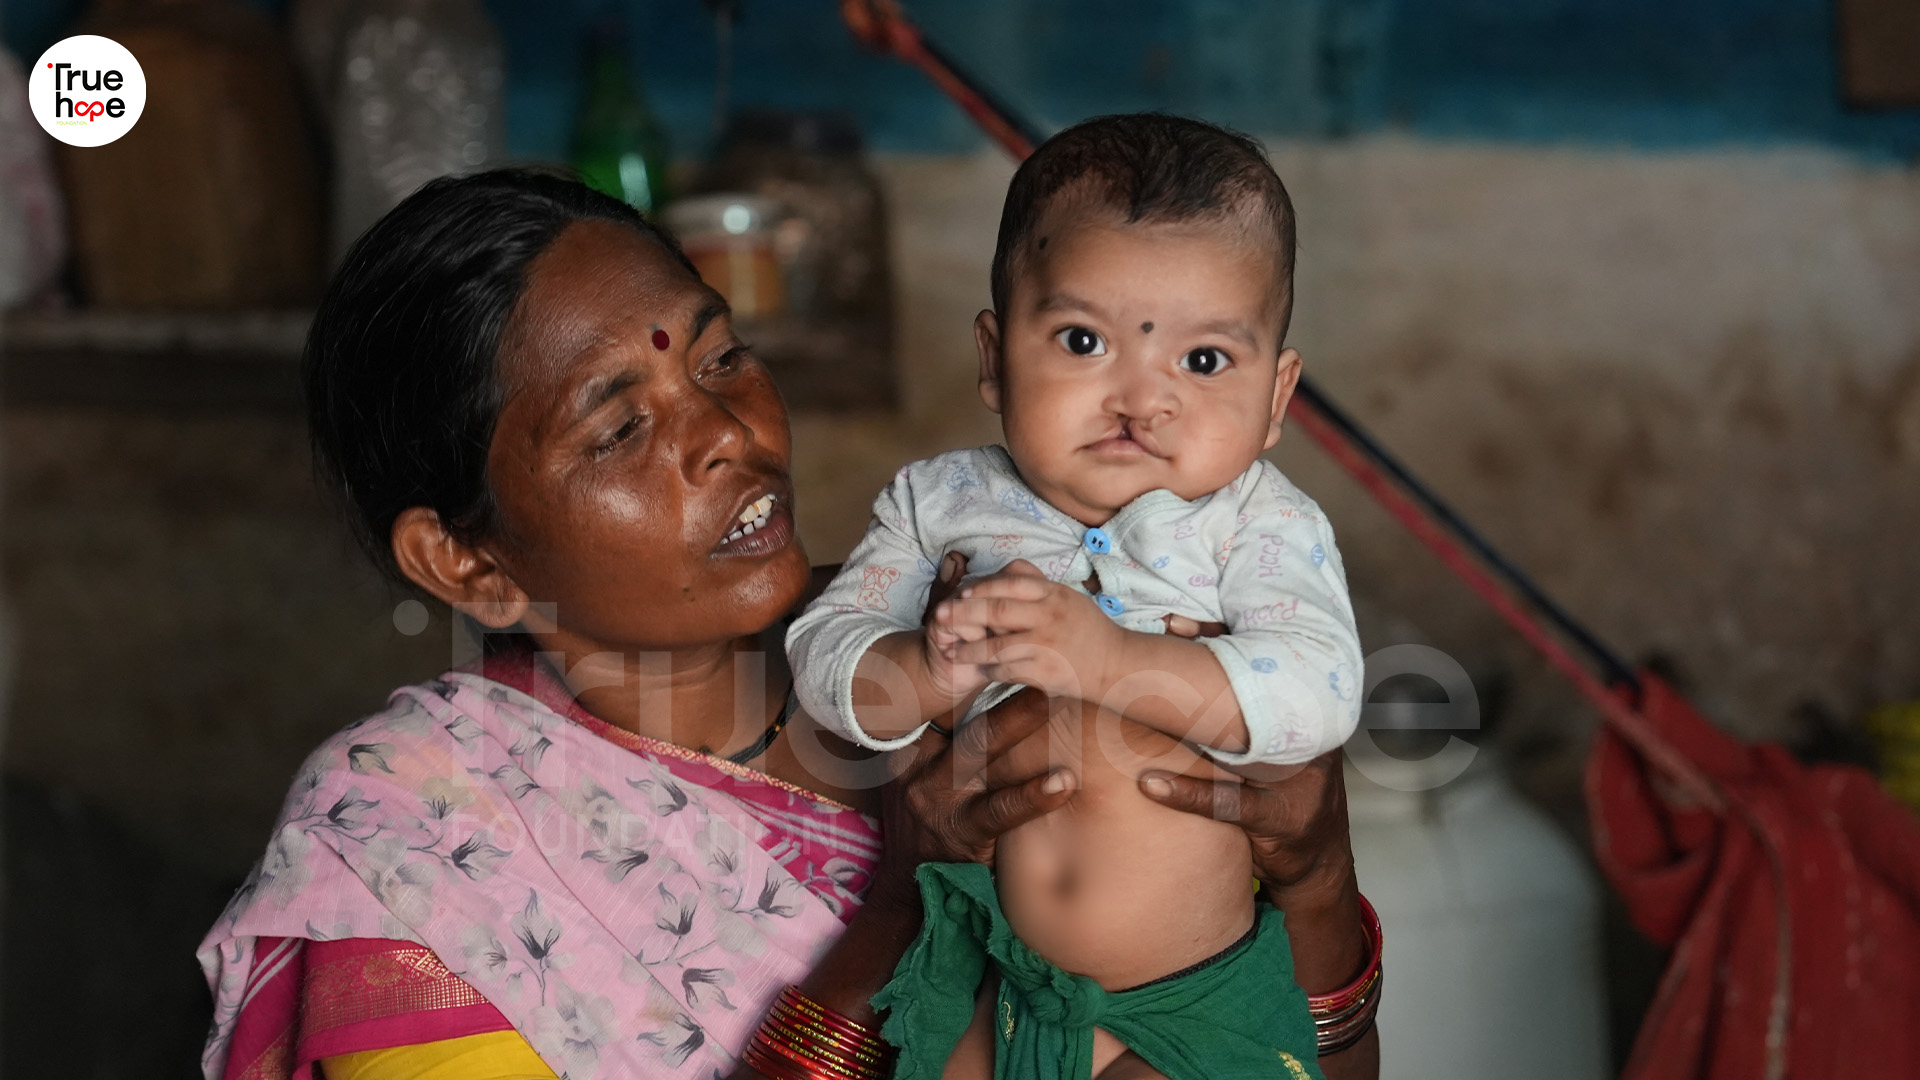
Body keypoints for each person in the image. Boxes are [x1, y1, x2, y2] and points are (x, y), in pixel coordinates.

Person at [196, 169, 1381, 1080]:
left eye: (722, 359)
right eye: (620, 429)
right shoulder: (414, 844)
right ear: (464, 561)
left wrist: (1320, 890)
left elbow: (1266, 1053)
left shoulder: (994, 629)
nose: (729, 434)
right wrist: (896, 913)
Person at [787, 115, 1361, 1080]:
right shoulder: (938, 504)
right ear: (993, 357)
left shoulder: (1258, 525)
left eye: (1204, 361)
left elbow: (1319, 691)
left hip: (1187, 1009)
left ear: (1275, 397)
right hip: (991, 979)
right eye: (1083, 340)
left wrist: (1114, 661)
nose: (1141, 398)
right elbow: (825, 656)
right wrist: (923, 668)